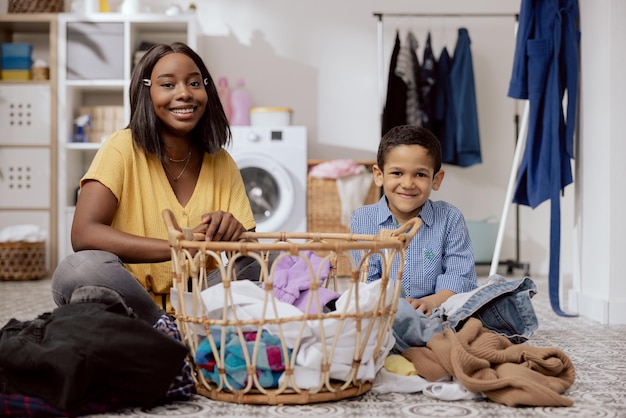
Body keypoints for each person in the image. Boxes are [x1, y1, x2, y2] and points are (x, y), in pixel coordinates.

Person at [51, 42, 256, 325]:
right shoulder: (121, 148)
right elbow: (84, 234)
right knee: (79, 268)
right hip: (130, 297)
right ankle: (166, 328)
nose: (184, 93)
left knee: (257, 265)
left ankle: (167, 331)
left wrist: (234, 232)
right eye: (168, 85)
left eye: (194, 83)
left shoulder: (222, 162)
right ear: (146, 92)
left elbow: (247, 255)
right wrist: (177, 246)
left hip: (200, 298)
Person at [351, 125, 477, 316]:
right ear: (379, 175)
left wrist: (431, 302)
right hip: (384, 312)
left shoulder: (450, 218)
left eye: (420, 174)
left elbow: (459, 276)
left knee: (493, 293)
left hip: (440, 309)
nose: (408, 184)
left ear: (436, 179)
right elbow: (366, 281)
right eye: (397, 173)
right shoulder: (362, 219)